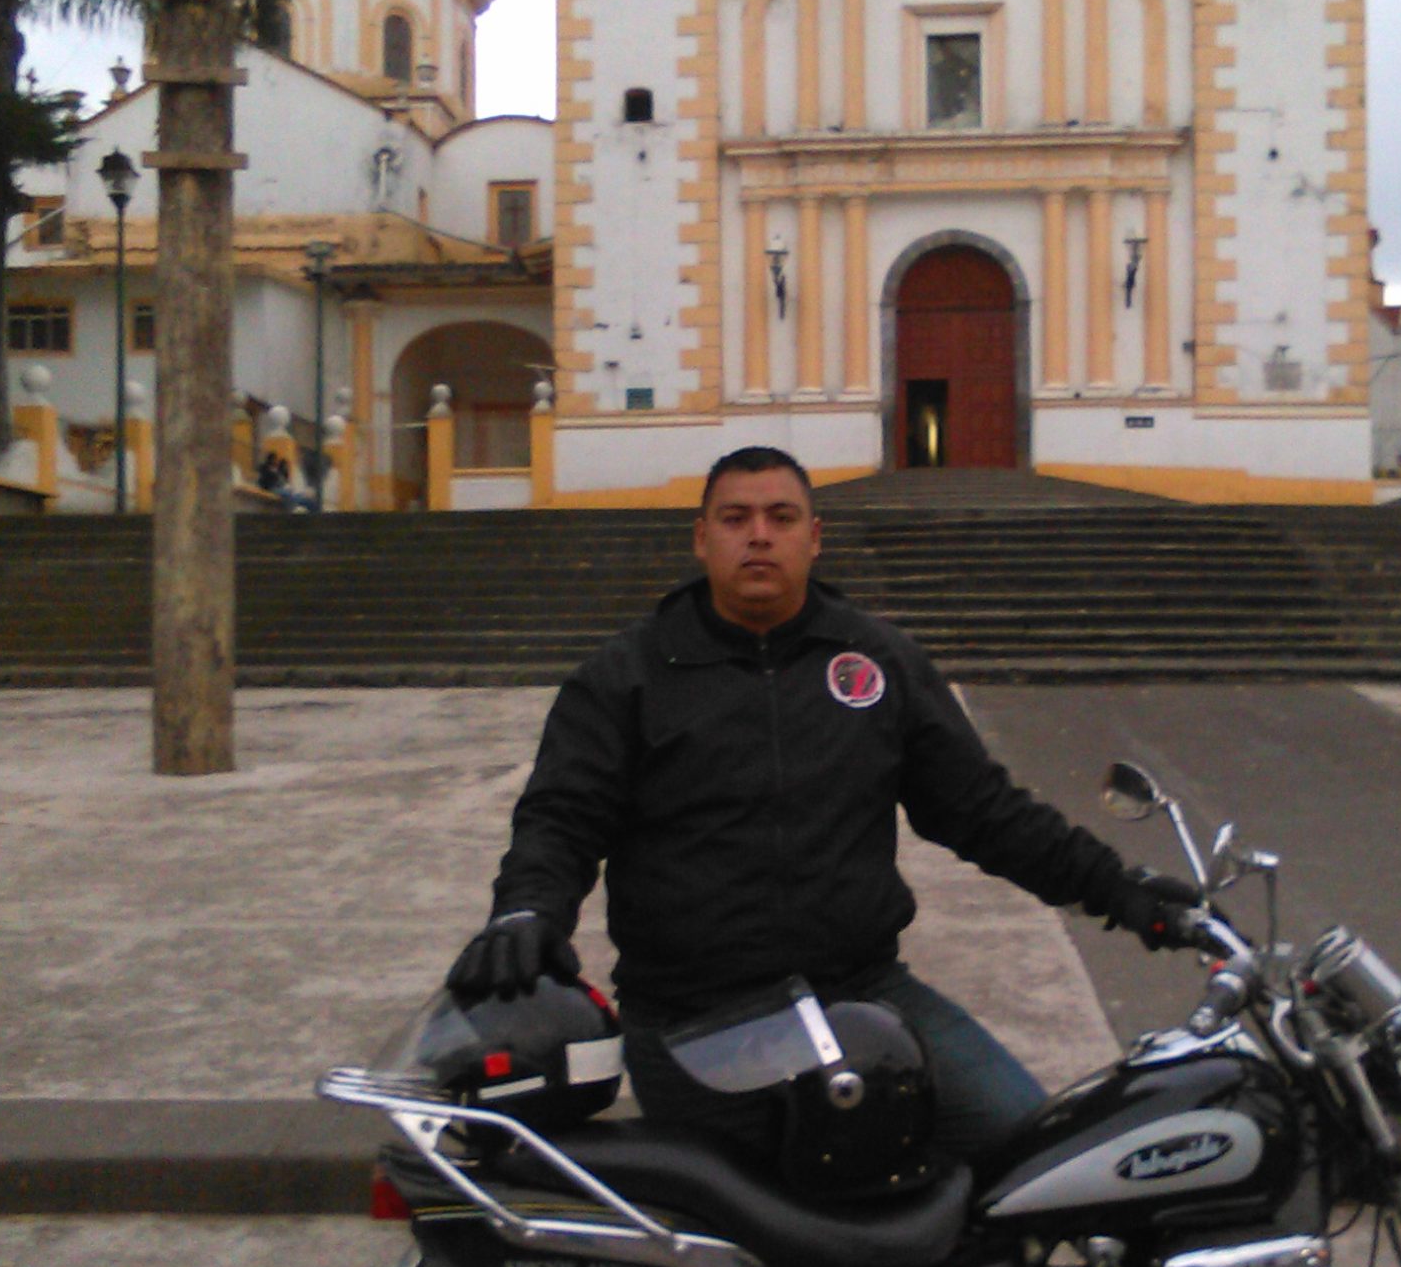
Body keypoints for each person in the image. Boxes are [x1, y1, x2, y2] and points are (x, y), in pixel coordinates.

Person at [446, 445, 1201, 1170]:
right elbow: (562, 819)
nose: (759, 535)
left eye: (780, 516)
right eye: (736, 518)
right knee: (765, 1246)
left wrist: (1117, 889)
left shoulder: (878, 661)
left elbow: (983, 812)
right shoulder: (625, 678)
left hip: (865, 996)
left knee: (1035, 1158)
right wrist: (526, 912)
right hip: (694, 1020)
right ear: (701, 538)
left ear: (815, 537)